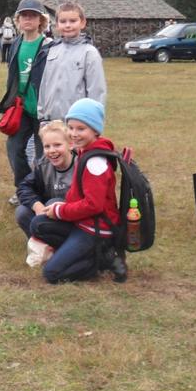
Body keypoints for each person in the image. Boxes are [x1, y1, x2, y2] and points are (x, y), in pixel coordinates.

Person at [39, 98, 125, 283]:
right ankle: (78, 253)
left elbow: (94, 205)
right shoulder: (85, 151)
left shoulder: (95, 162)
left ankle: (101, 259)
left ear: (95, 130)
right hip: (84, 222)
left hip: (96, 229)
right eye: (70, 128)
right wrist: (60, 208)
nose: (74, 134)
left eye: (81, 129)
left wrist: (61, 211)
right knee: (38, 224)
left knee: (51, 274)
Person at [0, 0, 52, 193]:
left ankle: (44, 190)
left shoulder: (48, 46)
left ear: (40, 21)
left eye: (33, 16)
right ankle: (24, 189)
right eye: (24, 16)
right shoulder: (16, 43)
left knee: (43, 153)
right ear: (18, 20)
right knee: (14, 148)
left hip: (43, 110)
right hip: (22, 108)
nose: (28, 19)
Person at [15, 120, 75, 263]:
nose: (52, 150)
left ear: (70, 145)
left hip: (75, 220)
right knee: (22, 212)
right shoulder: (43, 166)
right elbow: (24, 187)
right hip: (47, 214)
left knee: (55, 203)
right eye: (47, 146)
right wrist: (37, 206)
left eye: (57, 145)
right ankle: (44, 246)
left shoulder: (82, 164)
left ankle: (65, 247)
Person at [37, 1, 107, 124]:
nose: (68, 25)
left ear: (83, 23)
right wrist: (42, 115)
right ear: (57, 25)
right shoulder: (52, 50)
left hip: (77, 122)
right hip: (51, 122)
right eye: (63, 22)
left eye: (73, 21)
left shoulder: (89, 53)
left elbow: (96, 91)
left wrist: (93, 121)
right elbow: (45, 85)